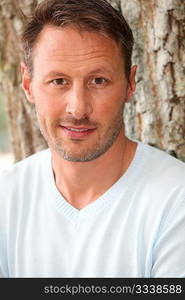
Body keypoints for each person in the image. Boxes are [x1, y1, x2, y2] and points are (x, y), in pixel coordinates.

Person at [0, 0, 185, 278]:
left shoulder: (175, 199)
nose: (78, 109)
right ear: (28, 85)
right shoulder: (7, 198)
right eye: (58, 81)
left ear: (130, 83)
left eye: (98, 81)